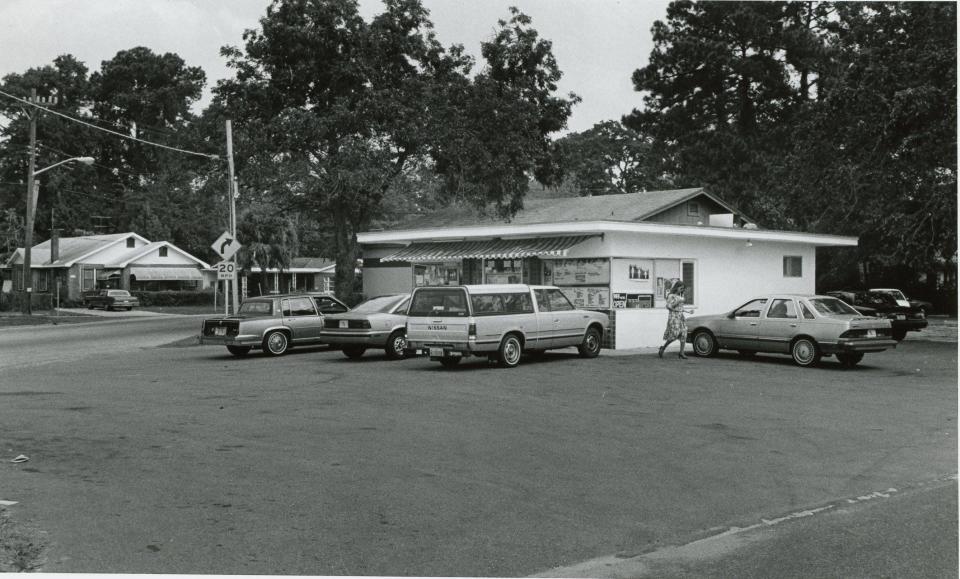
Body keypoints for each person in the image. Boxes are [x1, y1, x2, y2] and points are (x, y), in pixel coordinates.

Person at [659, 280, 689, 359]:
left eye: (683, 289)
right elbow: (669, 307)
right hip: (673, 317)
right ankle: (663, 347)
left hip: (680, 317)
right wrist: (678, 301)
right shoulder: (671, 296)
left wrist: (688, 311)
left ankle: (681, 353)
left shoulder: (680, 296)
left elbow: (680, 308)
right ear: (676, 287)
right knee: (674, 335)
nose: (682, 290)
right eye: (681, 288)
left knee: (684, 333)